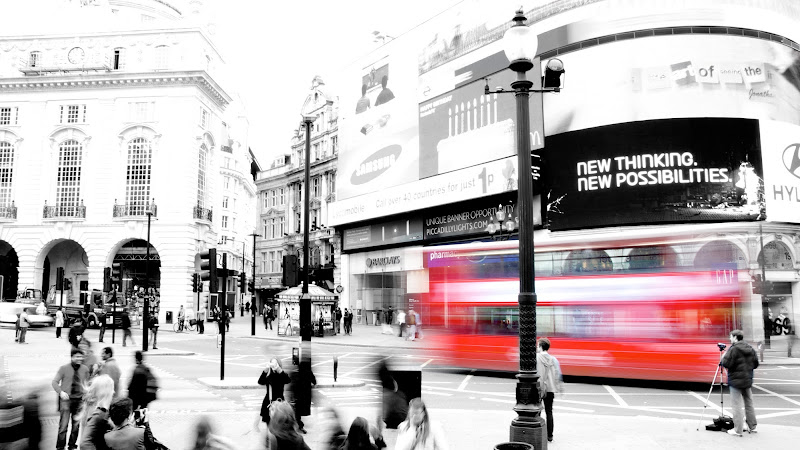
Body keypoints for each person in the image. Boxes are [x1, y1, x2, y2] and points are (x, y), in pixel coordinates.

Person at [721, 329, 759, 436]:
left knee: (736, 405)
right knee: (749, 403)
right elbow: (756, 364)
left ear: (735, 337)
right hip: (747, 380)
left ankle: (738, 430)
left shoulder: (733, 349)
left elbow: (726, 363)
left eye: (731, 336)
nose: (730, 338)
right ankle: (753, 427)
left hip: (736, 381)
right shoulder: (750, 348)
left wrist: (723, 356)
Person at [52, 348, 90, 450]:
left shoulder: (85, 369)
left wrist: (86, 393)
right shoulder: (63, 368)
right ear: (72, 357)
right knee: (63, 426)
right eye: (77, 357)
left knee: (76, 426)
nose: (80, 359)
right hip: (66, 400)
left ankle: (72, 445)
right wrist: (61, 392)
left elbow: (87, 384)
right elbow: (54, 382)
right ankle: (60, 447)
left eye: (81, 357)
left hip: (79, 401)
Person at [536, 337, 564, 443]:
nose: (537, 347)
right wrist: (560, 387)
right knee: (549, 412)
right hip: (550, 389)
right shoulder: (554, 360)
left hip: (539, 389)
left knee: (537, 411)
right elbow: (558, 374)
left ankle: (537, 432)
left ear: (541, 346)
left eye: (538, 345)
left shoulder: (536, 357)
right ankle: (550, 436)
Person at [79, 374, 114, 450]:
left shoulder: (91, 408)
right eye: (112, 389)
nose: (113, 392)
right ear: (106, 392)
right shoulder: (99, 414)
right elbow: (84, 444)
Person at [257, 357, 291, 425]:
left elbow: (287, 380)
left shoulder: (281, 374)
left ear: (279, 364)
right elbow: (260, 382)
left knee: (280, 422)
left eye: (275, 363)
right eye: (272, 363)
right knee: (268, 422)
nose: (273, 365)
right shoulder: (268, 375)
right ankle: (269, 434)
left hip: (279, 401)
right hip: (268, 401)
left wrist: (278, 369)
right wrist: (265, 370)